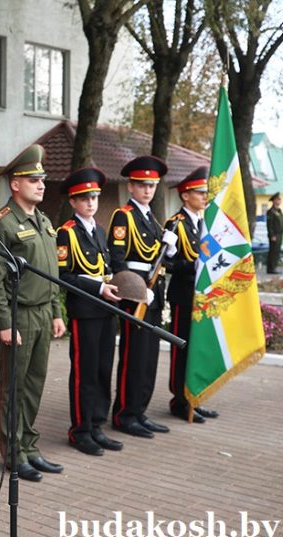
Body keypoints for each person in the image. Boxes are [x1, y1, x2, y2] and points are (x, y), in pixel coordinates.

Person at [0, 143, 66, 482]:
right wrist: (4, 323)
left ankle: (30, 447)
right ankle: (14, 454)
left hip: (44, 313)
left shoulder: (43, 220)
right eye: (33, 180)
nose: (41, 184)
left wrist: (57, 312)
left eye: (43, 179)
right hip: (19, 316)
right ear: (15, 184)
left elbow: (51, 274)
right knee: (13, 387)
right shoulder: (2, 225)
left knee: (34, 385)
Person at [56, 168, 124, 456]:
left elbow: (106, 270)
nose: (91, 203)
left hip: (106, 310)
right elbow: (64, 277)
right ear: (73, 202)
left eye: (94, 197)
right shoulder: (66, 233)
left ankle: (97, 425)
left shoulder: (99, 230)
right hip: (84, 311)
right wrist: (98, 289)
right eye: (84, 198)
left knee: (102, 369)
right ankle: (80, 430)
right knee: (84, 372)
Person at [109, 156, 172, 439]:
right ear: (131, 186)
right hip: (136, 296)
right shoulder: (124, 216)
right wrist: (135, 289)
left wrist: (168, 249)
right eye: (142, 185)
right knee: (133, 357)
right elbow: (117, 260)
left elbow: (156, 259)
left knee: (148, 357)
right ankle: (124, 414)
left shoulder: (151, 218)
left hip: (154, 294)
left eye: (152, 185)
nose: (148, 190)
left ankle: (140, 410)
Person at [164, 167, 219, 423]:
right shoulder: (175, 224)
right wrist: (193, 265)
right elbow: (168, 263)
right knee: (182, 349)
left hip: (202, 297)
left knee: (199, 348)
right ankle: (180, 400)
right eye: (199, 192)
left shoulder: (204, 223)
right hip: (183, 294)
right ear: (185, 196)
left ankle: (195, 398)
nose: (204, 196)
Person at [266, 192, 283, 274]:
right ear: (273, 201)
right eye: (277, 200)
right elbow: (269, 225)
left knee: (277, 251)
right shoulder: (271, 212)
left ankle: (274, 267)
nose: (279, 201)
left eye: (280, 200)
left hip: (280, 234)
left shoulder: (279, 211)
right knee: (273, 251)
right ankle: (271, 268)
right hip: (274, 235)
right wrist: (272, 235)